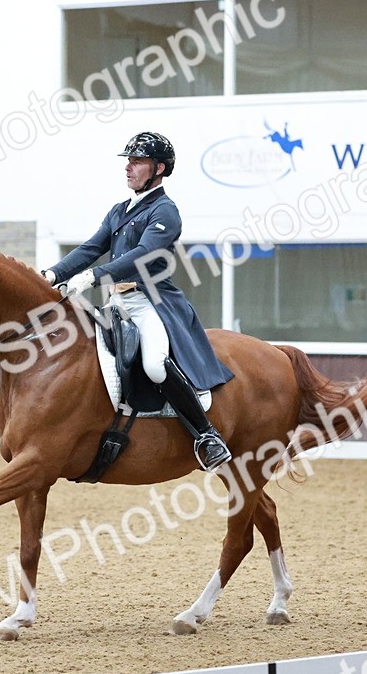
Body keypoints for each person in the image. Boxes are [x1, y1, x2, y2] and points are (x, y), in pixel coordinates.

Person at [41, 131, 234, 471]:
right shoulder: (119, 210)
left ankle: (207, 435)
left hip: (150, 302)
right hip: (116, 303)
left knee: (155, 364)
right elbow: (90, 249)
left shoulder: (165, 211)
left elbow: (144, 254)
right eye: (128, 161)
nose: (129, 168)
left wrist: (95, 277)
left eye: (138, 161)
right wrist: (53, 275)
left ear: (159, 168)